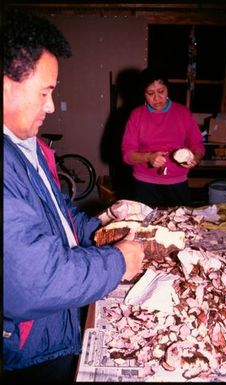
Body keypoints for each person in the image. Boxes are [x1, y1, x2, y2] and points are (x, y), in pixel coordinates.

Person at [3, 9, 144, 382]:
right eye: (45, 92)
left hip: (54, 325)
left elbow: (58, 213)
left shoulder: (26, 145)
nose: (51, 106)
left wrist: (99, 225)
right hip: (25, 347)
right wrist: (118, 261)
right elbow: (34, 283)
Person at [121, 67, 205, 208]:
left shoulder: (182, 113)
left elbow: (197, 144)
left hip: (177, 182)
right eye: (150, 93)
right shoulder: (137, 115)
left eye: (161, 91)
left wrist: (195, 158)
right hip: (145, 184)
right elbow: (127, 154)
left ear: (167, 90)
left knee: (181, 224)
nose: (157, 98)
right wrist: (148, 157)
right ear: (143, 94)